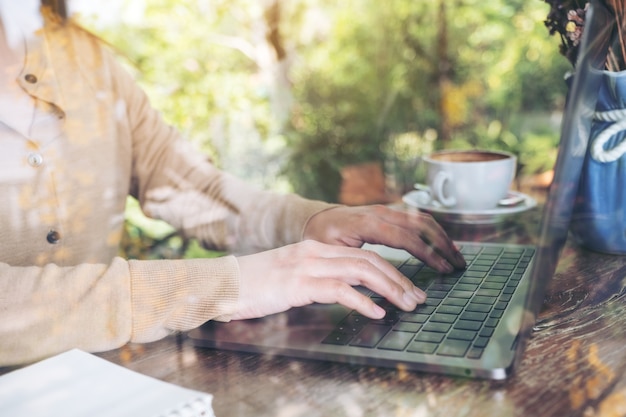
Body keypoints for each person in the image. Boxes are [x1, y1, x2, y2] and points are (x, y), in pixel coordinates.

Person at [0, 2, 465, 366]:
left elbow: (182, 182)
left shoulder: (85, 60)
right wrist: (226, 284)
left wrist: (311, 220)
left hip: (95, 382)